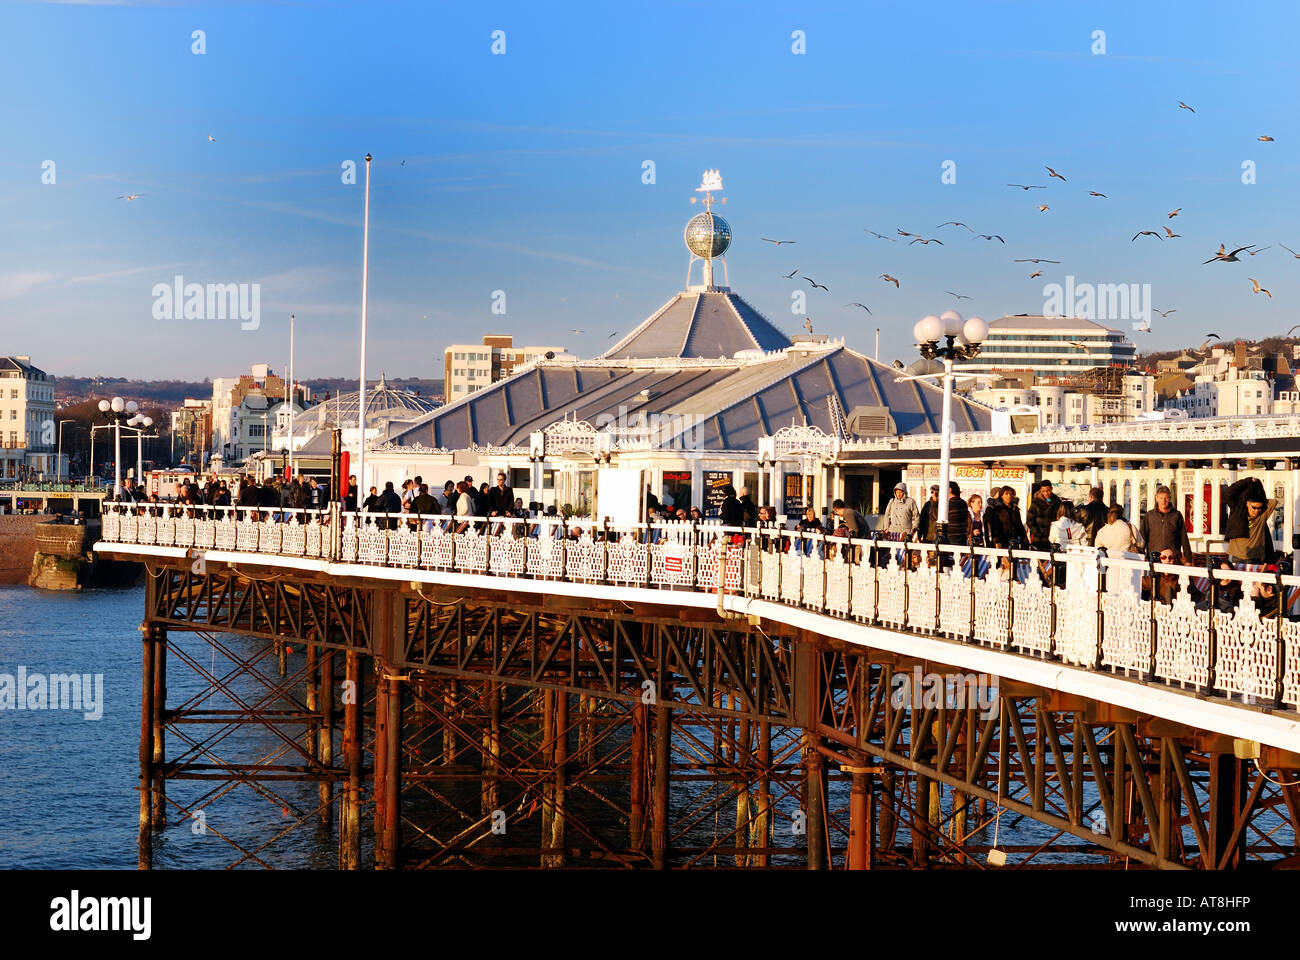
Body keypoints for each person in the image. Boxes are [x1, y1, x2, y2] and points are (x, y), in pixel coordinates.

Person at [1224, 477, 1277, 563]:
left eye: (1259, 508)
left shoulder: (1263, 514)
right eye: (1254, 508)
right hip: (1238, 557)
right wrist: (1248, 481)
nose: (1257, 511)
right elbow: (1228, 493)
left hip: (1255, 558)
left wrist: (1257, 484)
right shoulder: (1238, 510)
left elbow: (1273, 502)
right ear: (1247, 503)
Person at [1141, 485, 1193, 564]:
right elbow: (1142, 537)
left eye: (1166, 498)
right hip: (1154, 559)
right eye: (1161, 498)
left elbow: (1184, 538)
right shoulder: (1149, 515)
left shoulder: (1177, 515)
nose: (1163, 501)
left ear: (1170, 498)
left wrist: (1188, 559)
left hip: (1173, 559)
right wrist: (1140, 556)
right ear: (1156, 498)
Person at [1026, 480, 1061, 551]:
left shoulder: (1057, 502)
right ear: (1040, 490)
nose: (1046, 493)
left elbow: (1060, 518)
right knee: (1037, 559)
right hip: (1038, 538)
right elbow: (1029, 520)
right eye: (1043, 491)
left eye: (1048, 491)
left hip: (1053, 537)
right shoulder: (1035, 502)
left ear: (1051, 489)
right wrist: (1037, 532)